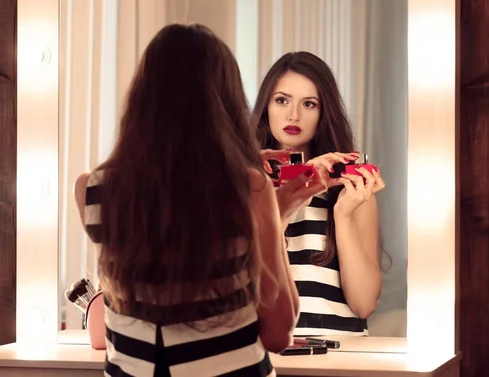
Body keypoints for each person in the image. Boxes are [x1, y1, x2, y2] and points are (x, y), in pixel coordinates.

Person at [73, 24, 326, 377]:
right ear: (225, 103)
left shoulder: (92, 189)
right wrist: (274, 212)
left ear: (142, 98)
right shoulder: (249, 188)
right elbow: (278, 332)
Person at [251, 51, 387, 337]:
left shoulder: (350, 190)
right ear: (266, 106)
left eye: (309, 104)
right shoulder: (244, 186)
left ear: (324, 113)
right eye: (282, 100)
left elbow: (363, 305)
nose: (294, 115)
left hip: (339, 360)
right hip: (265, 359)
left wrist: (343, 215)